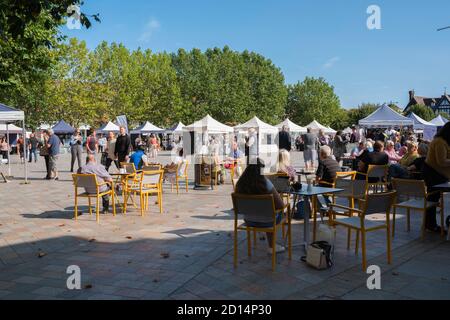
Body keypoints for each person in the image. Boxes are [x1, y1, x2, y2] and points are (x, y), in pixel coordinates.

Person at [235, 158, 286, 254]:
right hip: (267, 222)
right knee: (273, 213)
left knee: (266, 213)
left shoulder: (240, 184)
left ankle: (261, 232)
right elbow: (280, 205)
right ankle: (272, 246)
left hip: (248, 221)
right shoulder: (266, 184)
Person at [422, 122, 450, 233]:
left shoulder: (444, 142)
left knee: (433, 198)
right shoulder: (439, 142)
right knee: (432, 198)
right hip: (433, 174)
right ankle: (430, 225)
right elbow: (441, 161)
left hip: (438, 175)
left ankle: (430, 224)